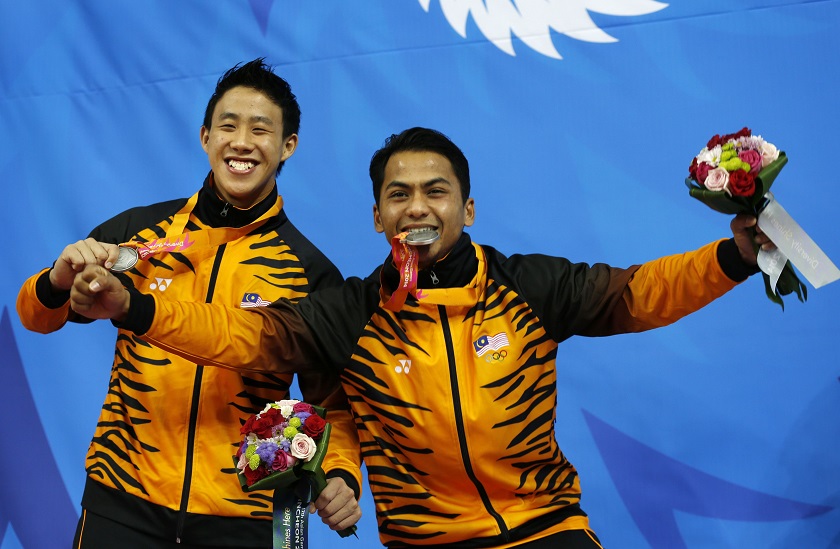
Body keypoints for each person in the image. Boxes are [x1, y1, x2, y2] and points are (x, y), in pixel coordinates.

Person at [69, 127, 772, 548]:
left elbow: (641, 293)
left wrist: (736, 256)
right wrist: (134, 307)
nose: (418, 206)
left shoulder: (529, 284)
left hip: (543, 528)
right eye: (399, 194)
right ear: (378, 217)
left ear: (467, 207)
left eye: (435, 191)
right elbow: (241, 337)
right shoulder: (348, 311)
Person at [16, 59, 361, 548]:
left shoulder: (310, 272)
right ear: (205, 137)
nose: (241, 142)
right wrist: (55, 279)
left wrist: (343, 472)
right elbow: (36, 317)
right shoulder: (138, 235)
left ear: (288, 146)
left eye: (260, 130)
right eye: (228, 125)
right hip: (124, 501)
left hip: (248, 518)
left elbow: (333, 403)